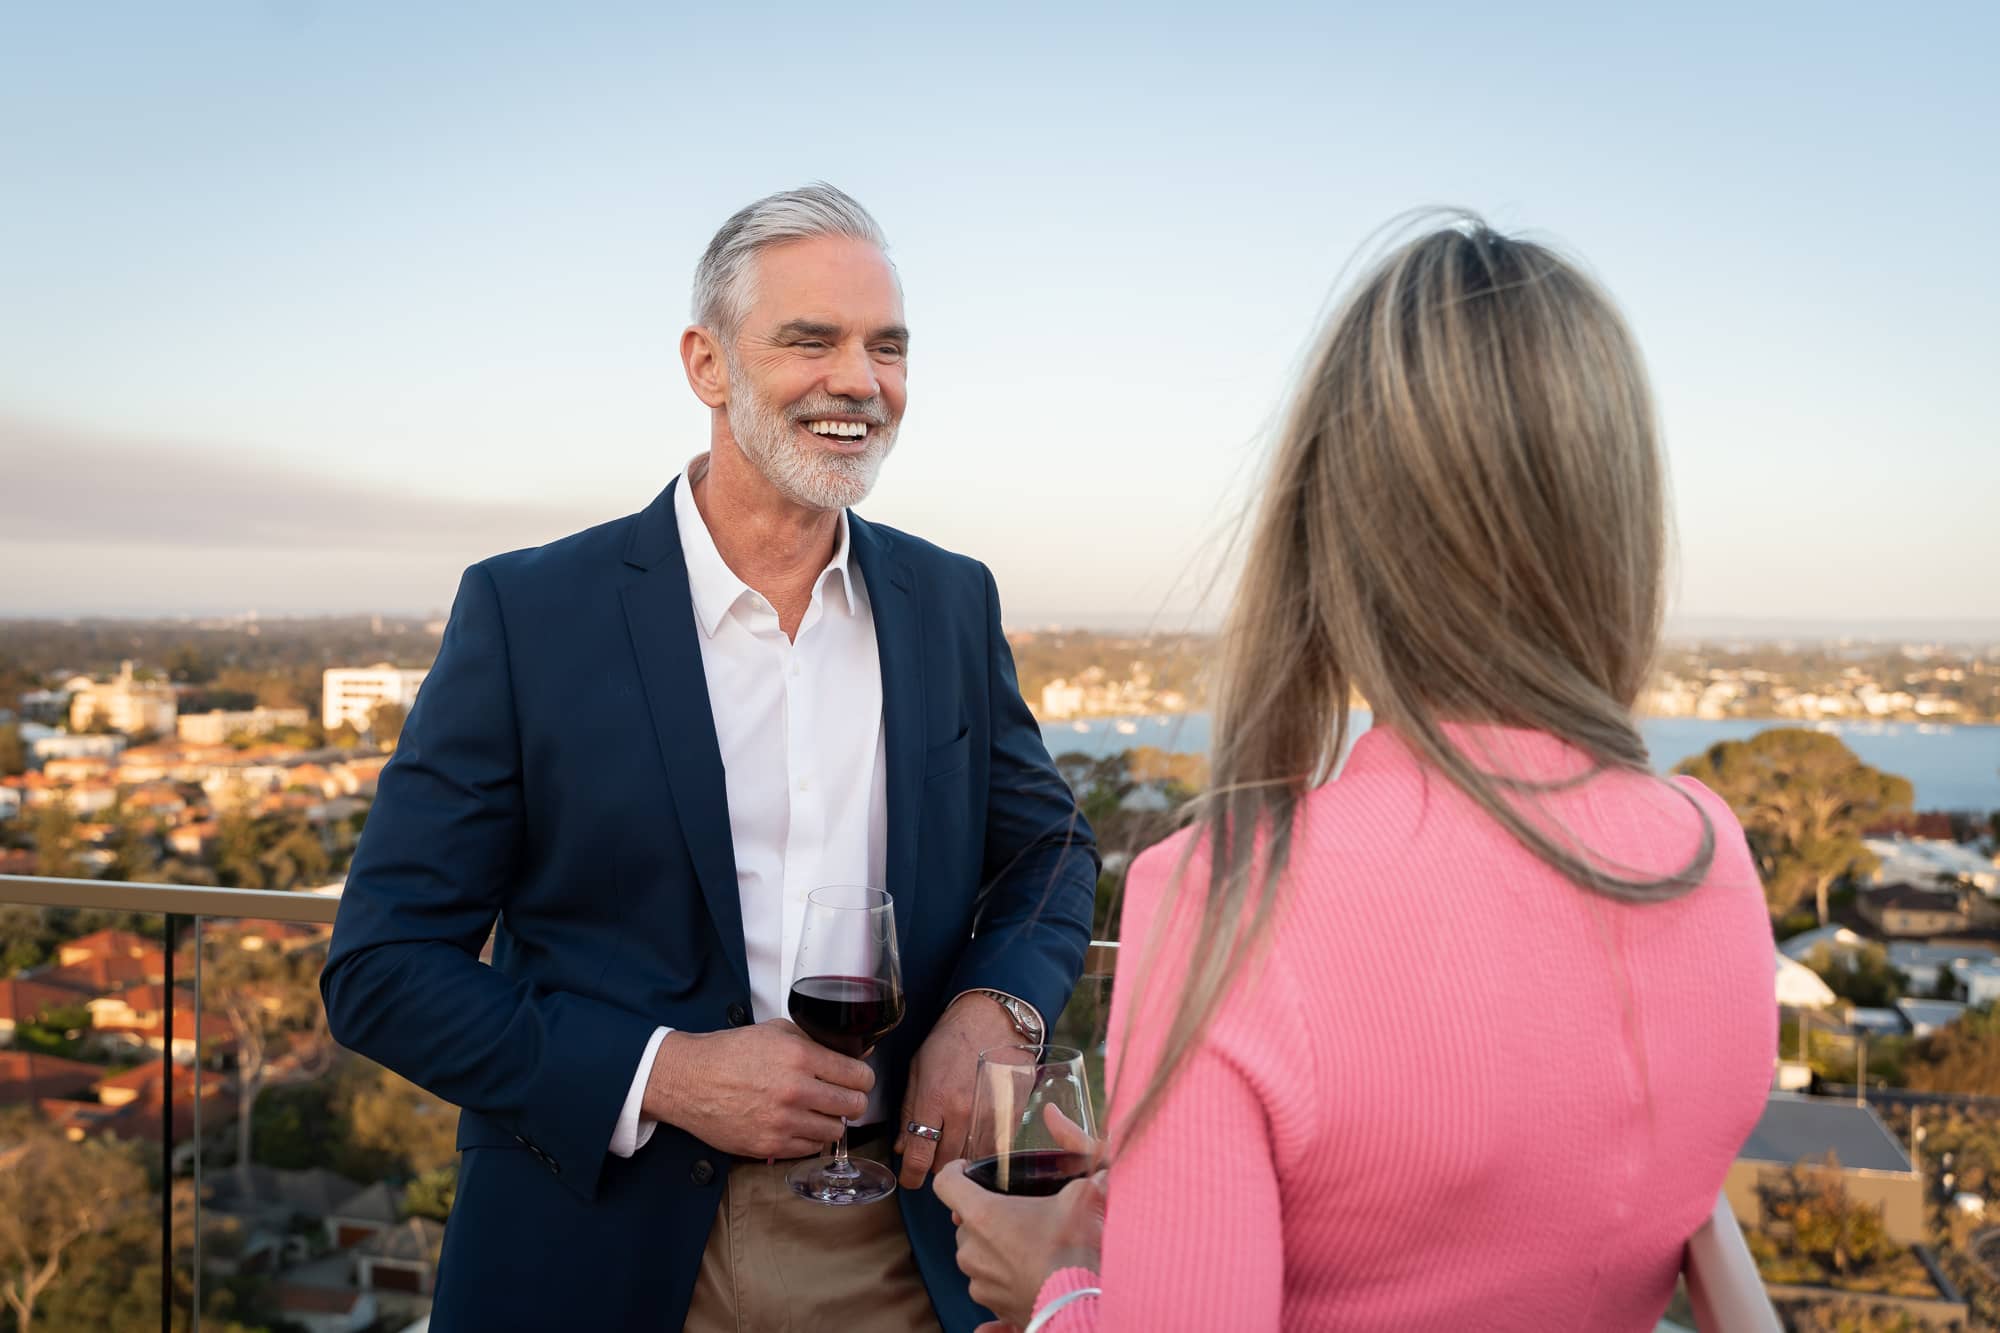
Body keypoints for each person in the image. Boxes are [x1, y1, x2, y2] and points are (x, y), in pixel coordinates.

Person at [935, 217, 1778, 1331]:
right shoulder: (1708, 857)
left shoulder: (1225, 899)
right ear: (1615, 516)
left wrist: (1057, 1288)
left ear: (1332, 522)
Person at [320, 183, 1098, 1333]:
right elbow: (381, 968)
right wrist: (664, 1072)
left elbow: (1048, 845)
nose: (859, 381)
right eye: (810, 340)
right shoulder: (529, 611)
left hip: (894, 1230)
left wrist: (996, 1008)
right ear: (706, 364)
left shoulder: (948, 598)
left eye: (887, 348)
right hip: (596, 1236)